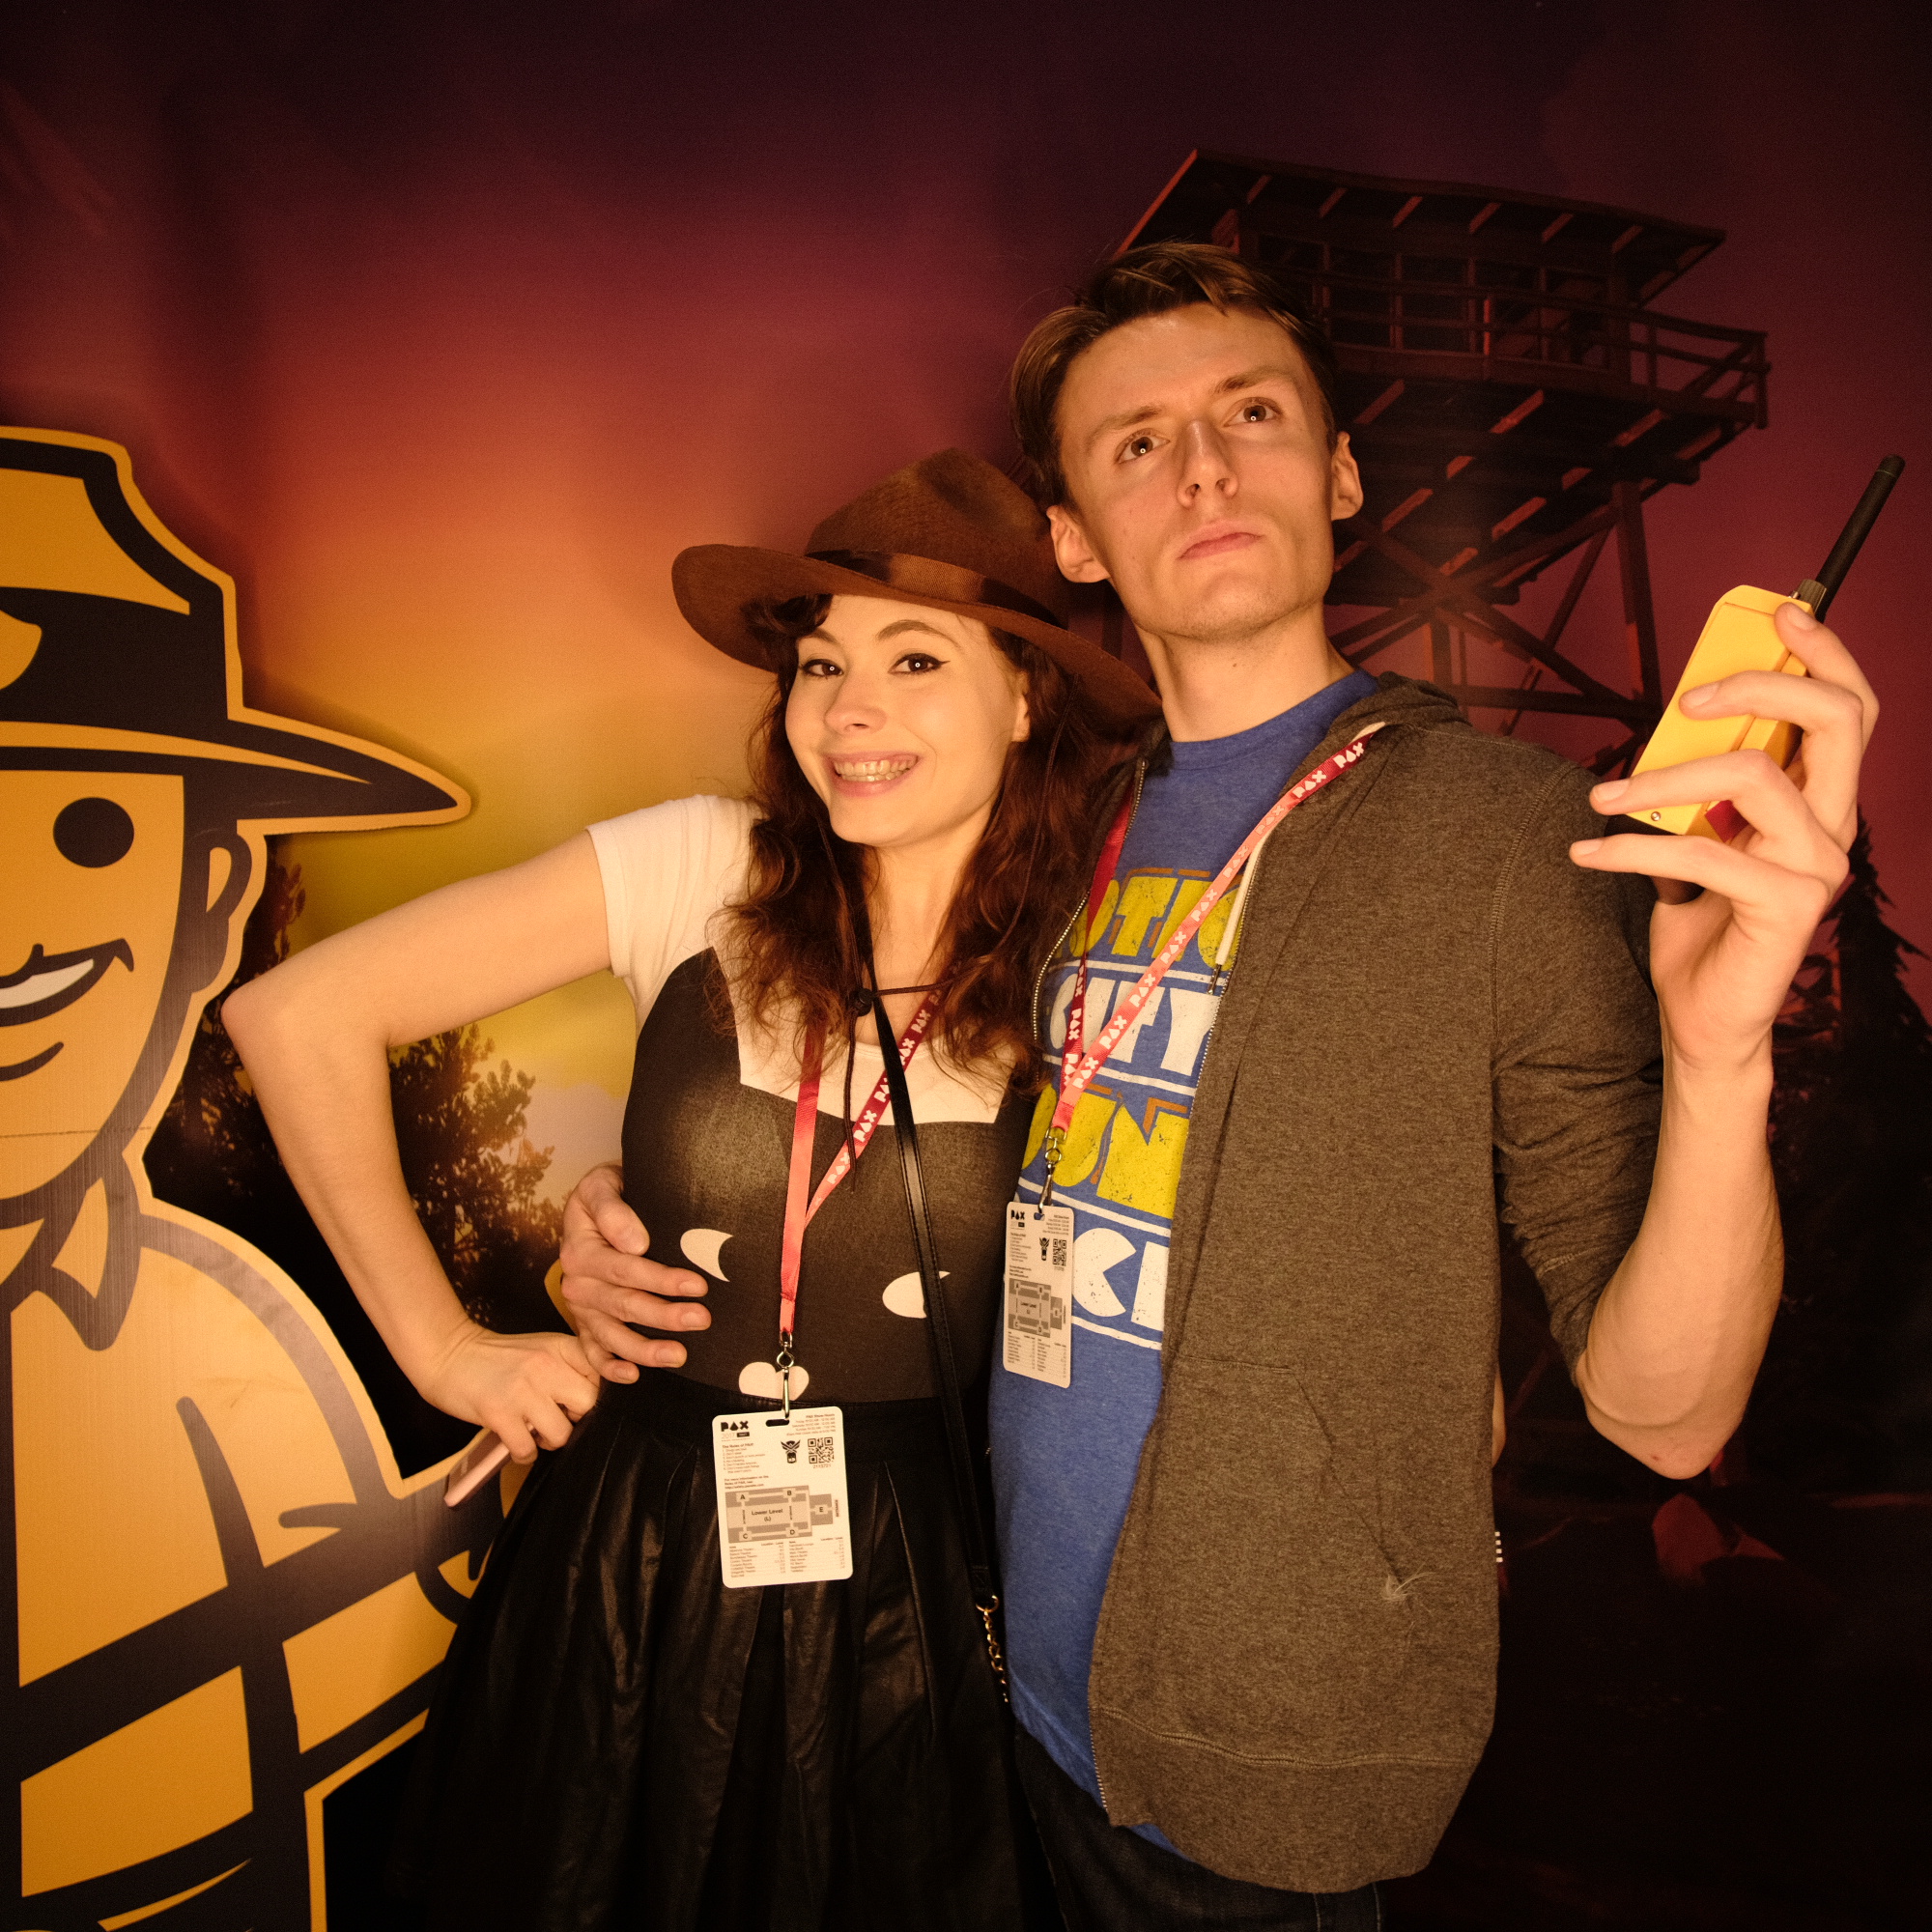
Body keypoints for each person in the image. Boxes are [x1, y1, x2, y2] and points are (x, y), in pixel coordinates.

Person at [556, 245, 1877, 1929]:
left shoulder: (1510, 843)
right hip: (973, 1694)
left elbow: (1665, 1412)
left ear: (1339, 474)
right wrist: (625, 1220)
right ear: (1072, 542)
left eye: (1251, 415)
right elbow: (874, 1106)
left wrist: (1718, 1055)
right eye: (1136, 442)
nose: (1200, 468)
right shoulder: (1034, 831)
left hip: (1259, 1761)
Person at [225, 447, 1159, 1930]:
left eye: (915, 660)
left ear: (1027, 698)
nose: (847, 710)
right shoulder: (703, 865)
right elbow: (296, 1016)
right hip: (636, 1554)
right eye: (821, 664)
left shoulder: (1092, 962)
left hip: (918, 1579)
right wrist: (447, 1348)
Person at [1, 428, 474, 1925]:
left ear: (213, 891)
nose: (21, 921)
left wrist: (503, 1508)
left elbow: (304, 1702)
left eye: (86, 831)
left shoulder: (209, 1340)